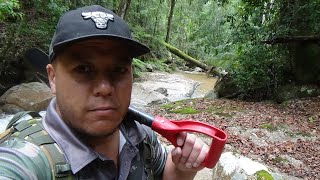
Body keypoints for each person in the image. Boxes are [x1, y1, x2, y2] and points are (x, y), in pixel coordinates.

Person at [0, 5, 209, 180]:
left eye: (118, 70)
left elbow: (164, 173)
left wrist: (183, 168)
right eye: (83, 69)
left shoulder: (139, 135)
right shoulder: (28, 160)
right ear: (53, 78)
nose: (105, 88)